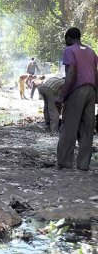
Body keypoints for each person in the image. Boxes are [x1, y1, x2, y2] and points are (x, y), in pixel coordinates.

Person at [56, 27, 98, 171]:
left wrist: (61, 95)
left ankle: (65, 162)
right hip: (91, 91)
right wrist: (96, 94)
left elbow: (71, 73)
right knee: (87, 129)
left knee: (69, 127)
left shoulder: (69, 50)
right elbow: (95, 73)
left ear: (69, 37)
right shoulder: (91, 51)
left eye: (65, 39)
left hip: (77, 90)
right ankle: (83, 164)